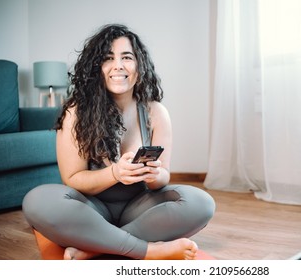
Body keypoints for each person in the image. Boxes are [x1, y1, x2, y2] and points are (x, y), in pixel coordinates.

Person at [22, 24, 215, 260]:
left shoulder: (155, 112)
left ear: (139, 65)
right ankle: (148, 250)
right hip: (90, 209)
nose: (118, 66)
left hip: (140, 209)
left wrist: (154, 175)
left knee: (201, 203)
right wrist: (115, 173)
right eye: (108, 58)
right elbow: (72, 180)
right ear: (97, 67)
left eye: (127, 57)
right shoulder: (76, 112)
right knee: (36, 200)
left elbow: (164, 176)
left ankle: (95, 246)